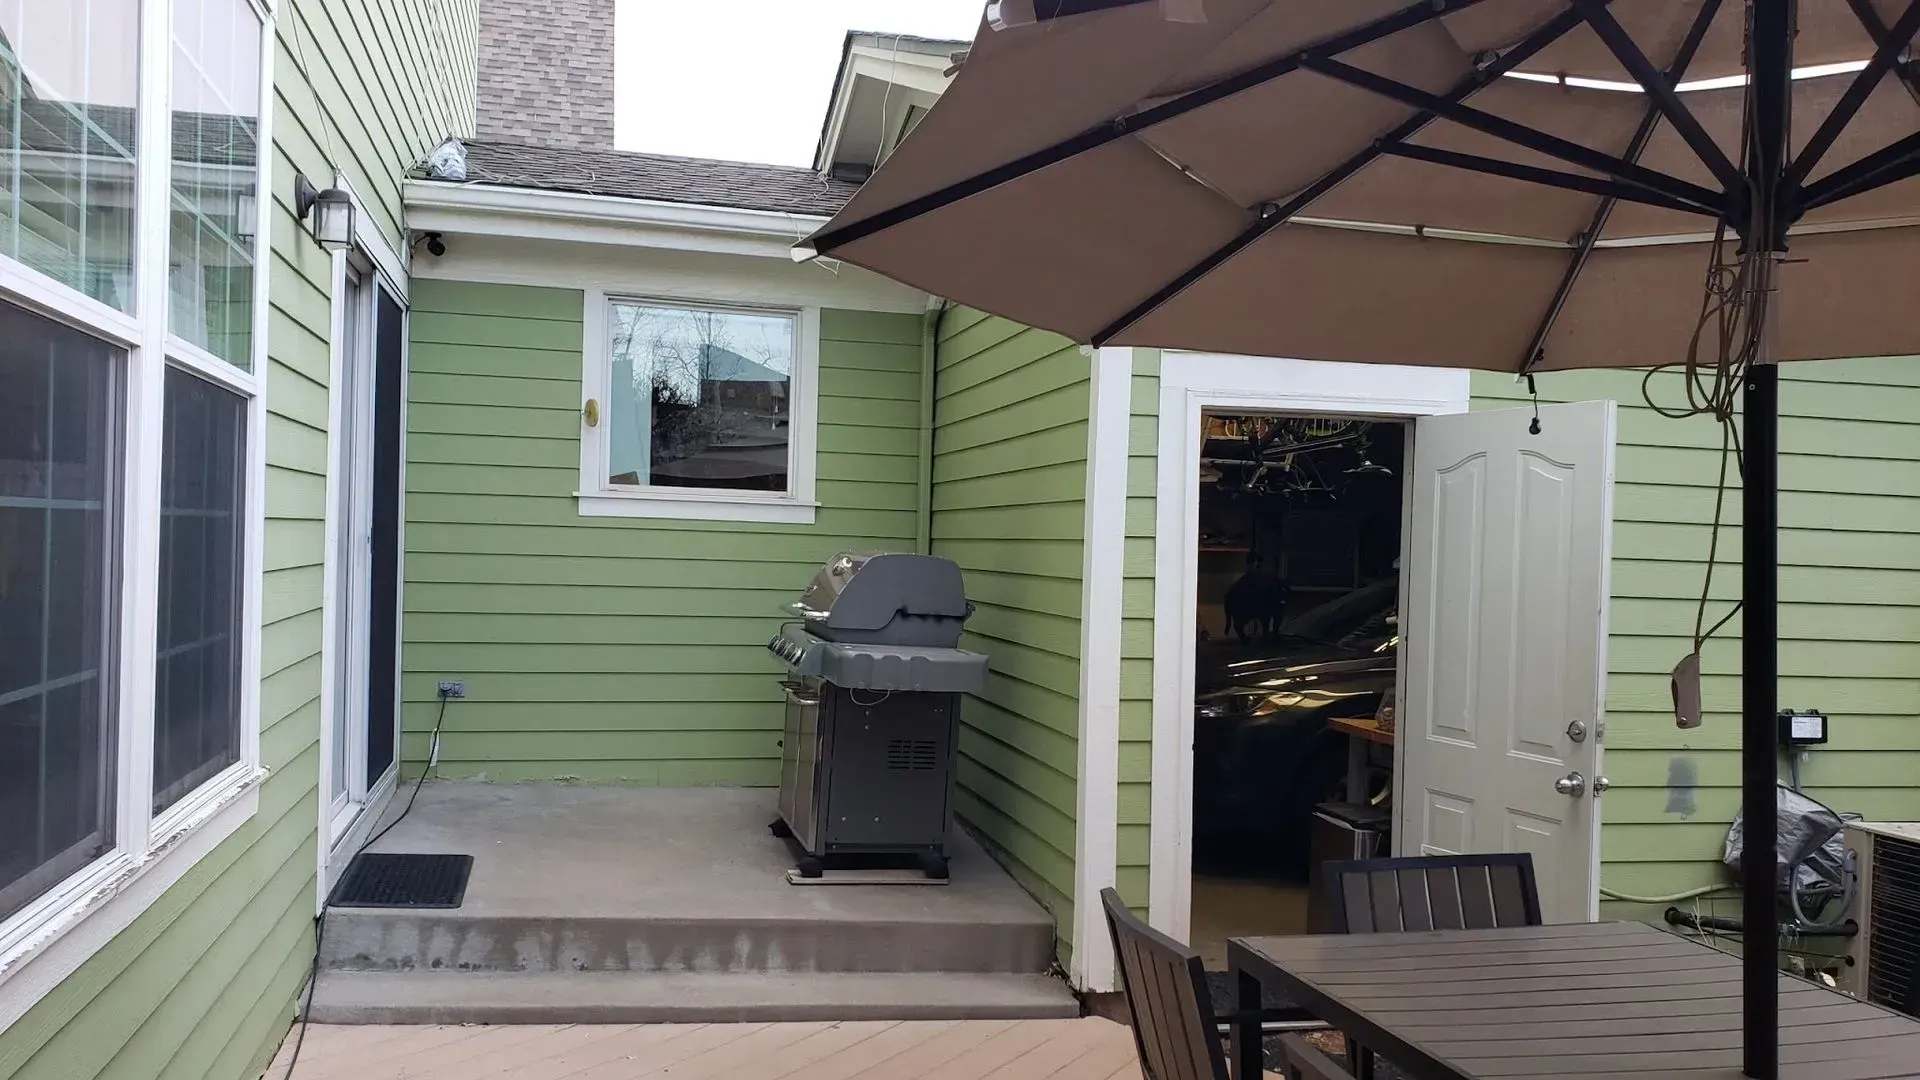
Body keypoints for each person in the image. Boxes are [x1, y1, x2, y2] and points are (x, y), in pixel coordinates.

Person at [1223, 552, 1287, 643]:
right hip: (1259, 603)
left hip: (1257, 602)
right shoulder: (1266, 580)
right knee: (1271, 611)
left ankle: (1265, 635)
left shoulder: (1241, 584)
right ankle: (1269, 635)